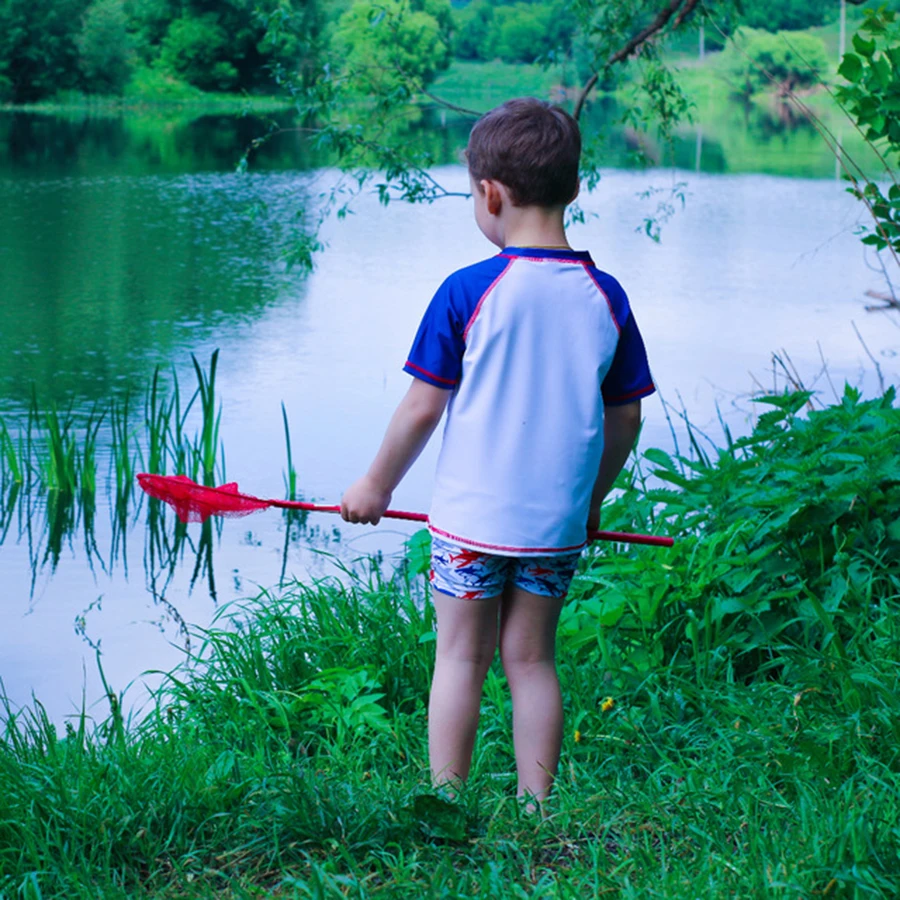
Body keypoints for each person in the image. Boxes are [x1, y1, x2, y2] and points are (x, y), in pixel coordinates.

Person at [340, 97, 655, 807]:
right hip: (554, 529)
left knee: (460, 656)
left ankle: (447, 803)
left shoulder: (468, 291)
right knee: (532, 659)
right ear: (572, 188)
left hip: (468, 525)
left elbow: (423, 407)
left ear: (491, 194)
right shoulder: (605, 296)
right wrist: (592, 500)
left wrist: (375, 486)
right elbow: (626, 417)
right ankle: (538, 807)